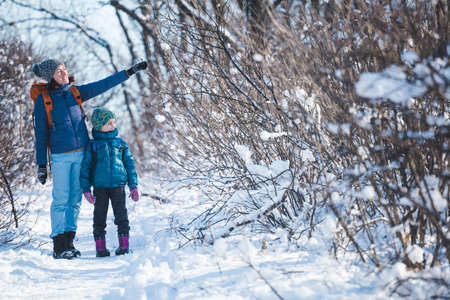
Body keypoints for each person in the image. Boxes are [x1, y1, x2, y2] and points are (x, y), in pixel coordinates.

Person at [33, 59, 147, 259]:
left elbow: (103, 84)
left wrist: (128, 72)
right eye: (58, 72)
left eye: (64, 70)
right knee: (61, 199)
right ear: (50, 77)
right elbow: (40, 134)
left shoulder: (75, 93)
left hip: (82, 154)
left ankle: (69, 240)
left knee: (75, 199)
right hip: (60, 157)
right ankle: (59, 245)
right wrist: (41, 164)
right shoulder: (44, 100)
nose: (63, 74)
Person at [79, 107, 139, 257]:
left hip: (118, 186)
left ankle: (124, 246)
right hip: (100, 187)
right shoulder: (93, 145)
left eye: (114, 122)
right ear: (99, 126)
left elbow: (129, 165)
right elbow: (85, 168)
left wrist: (133, 186)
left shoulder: (120, 143)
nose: (114, 126)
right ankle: (100, 248)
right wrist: (86, 189)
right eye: (109, 123)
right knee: (99, 217)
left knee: (121, 216)